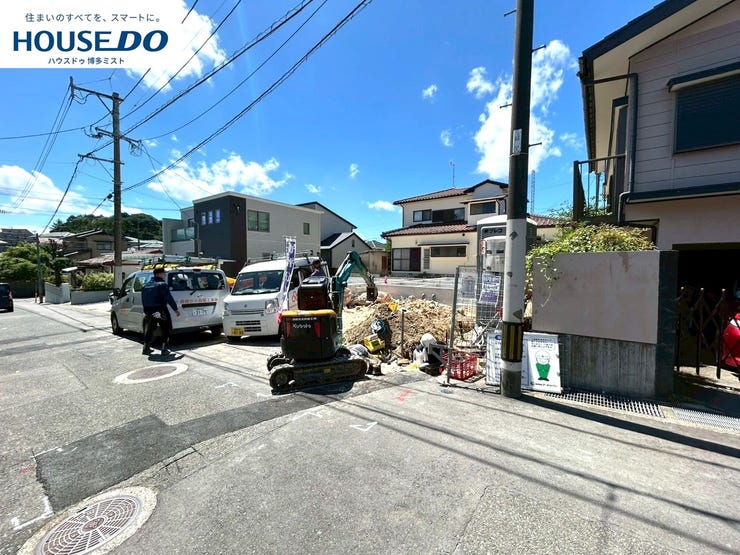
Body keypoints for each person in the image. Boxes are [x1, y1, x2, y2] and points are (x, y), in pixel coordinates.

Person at [141, 266, 180, 355]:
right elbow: (168, 298)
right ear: (159, 274)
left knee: (150, 328)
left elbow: (143, 299)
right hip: (160, 309)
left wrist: (146, 311)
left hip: (149, 310)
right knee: (165, 327)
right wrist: (175, 309)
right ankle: (164, 348)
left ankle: (146, 348)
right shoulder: (162, 284)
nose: (165, 275)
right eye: (164, 273)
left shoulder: (145, 285)